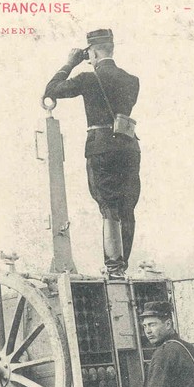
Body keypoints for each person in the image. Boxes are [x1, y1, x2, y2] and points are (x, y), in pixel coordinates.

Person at [44, 29, 141, 279]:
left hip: (101, 147)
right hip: (129, 147)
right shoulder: (132, 81)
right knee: (127, 207)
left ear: (93, 52)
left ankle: (114, 267)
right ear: (112, 49)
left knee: (109, 206)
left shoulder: (88, 79)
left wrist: (70, 62)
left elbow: (51, 90)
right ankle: (122, 267)